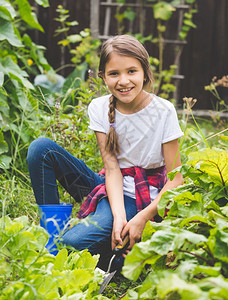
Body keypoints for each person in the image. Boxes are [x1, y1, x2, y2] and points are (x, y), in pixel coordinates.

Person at [27, 34, 183, 270]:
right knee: (41, 149)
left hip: (142, 198)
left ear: (145, 72)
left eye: (132, 71)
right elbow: (112, 170)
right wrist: (119, 217)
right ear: (102, 77)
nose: (123, 81)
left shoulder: (163, 111)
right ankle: (52, 239)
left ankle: (118, 257)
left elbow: (176, 179)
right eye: (114, 73)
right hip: (111, 185)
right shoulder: (99, 107)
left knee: (73, 243)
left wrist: (140, 218)